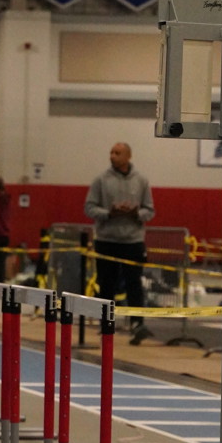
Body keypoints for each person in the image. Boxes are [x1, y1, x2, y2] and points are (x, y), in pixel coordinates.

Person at [84, 141, 154, 339]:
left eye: (117, 153)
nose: (112, 156)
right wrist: (109, 213)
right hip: (107, 241)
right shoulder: (101, 180)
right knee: (106, 284)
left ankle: (137, 324)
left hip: (132, 242)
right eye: (111, 152)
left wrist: (136, 214)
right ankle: (106, 323)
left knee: (134, 284)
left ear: (128, 156)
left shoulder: (141, 180)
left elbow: (150, 210)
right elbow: (89, 208)